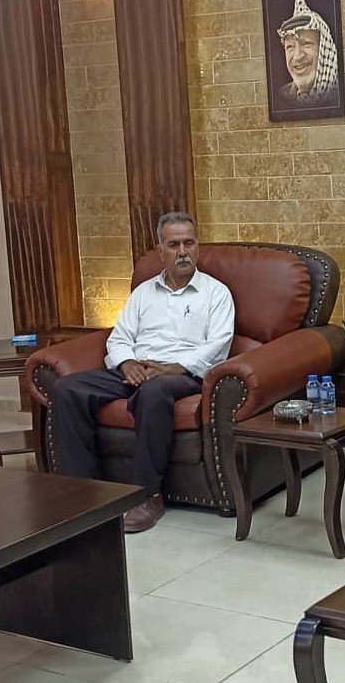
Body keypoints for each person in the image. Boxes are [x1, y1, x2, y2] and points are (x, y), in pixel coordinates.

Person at [51, 212, 234, 533]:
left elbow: (218, 346)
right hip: (136, 369)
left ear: (198, 247)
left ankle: (146, 496)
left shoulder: (216, 294)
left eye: (189, 243)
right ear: (160, 250)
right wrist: (127, 363)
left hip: (182, 374)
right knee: (67, 388)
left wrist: (174, 367)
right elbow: (119, 338)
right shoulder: (143, 293)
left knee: (154, 391)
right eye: (174, 245)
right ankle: (84, 494)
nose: (183, 252)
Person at [274, 0, 340, 109]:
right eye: (290, 47)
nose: (297, 56)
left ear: (324, 49)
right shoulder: (282, 95)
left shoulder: (338, 91)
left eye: (306, 44)